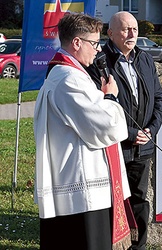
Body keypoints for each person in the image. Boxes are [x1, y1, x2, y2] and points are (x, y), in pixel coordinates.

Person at [34, 13, 134, 250]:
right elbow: (105, 125)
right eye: (94, 43)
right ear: (77, 43)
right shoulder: (68, 79)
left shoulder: (71, 74)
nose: (98, 50)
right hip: (82, 189)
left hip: (84, 184)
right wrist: (110, 96)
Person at [87, 11, 162, 250]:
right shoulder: (99, 62)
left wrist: (151, 130)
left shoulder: (145, 59)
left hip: (144, 147)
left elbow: (159, 100)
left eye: (135, 29)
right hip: (116, 146)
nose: (131, 34)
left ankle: (138, 246)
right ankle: (111, 244)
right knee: (112, 200)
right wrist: (131, 134)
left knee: (140, 200)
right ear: (110, 33)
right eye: (125, 29)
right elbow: (99, 107)